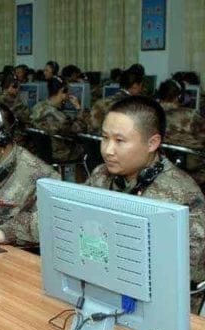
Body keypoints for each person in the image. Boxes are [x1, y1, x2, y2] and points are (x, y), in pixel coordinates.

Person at [84, 96, 205, 285]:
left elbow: (187, 272)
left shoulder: (182, 196)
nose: (108, 150)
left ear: (152, 143)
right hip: (102, 277)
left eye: (119, 141)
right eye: (105, 138)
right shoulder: (101, 174)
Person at [0, 102, 59, 247]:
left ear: (2, 137)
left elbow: (52, 220)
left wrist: (0, 235)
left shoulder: (41, 175)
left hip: (14, 251)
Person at [157, 79, 205, 190]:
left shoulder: (149, 114)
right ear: (179, 97)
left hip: (160, 172)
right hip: (193, 175)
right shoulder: (191, 116)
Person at [29, 76, 86, 162]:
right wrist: (79, 109)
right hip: (61, 153)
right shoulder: (61, 117)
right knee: (88, 147)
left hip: (42, 153)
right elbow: (79, 129)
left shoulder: (37, 107)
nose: (70, 93)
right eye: (68, 91)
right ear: (63, 91)